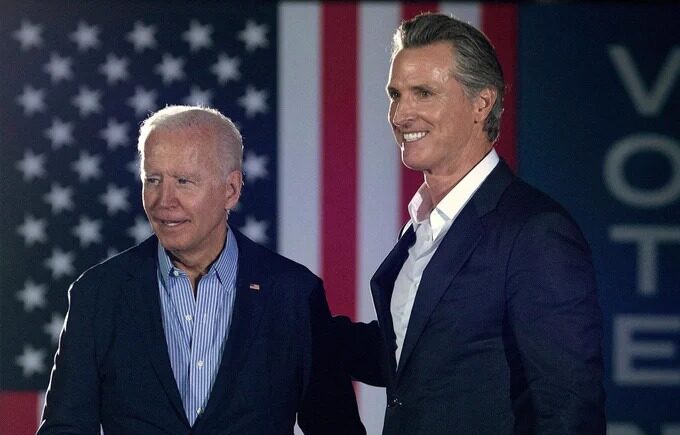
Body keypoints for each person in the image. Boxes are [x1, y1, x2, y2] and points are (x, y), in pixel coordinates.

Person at [334, 12, 605, 435]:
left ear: (482, 103)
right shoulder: (424, 224)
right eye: (395, 94)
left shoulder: (534, 232)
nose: (401, 114)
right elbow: (413, 358)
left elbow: (569, 409)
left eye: (424, 93)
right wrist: (291, 318)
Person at [38, 106, 365, 435]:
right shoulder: (98, 294)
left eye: (183, 181)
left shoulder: (293, 295)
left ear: (230, 190)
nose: (164, 200)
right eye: (153, 180)